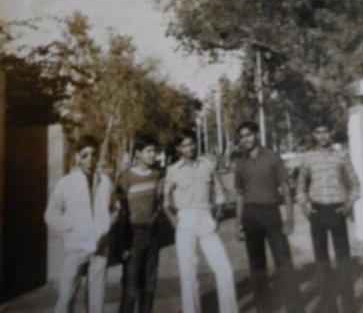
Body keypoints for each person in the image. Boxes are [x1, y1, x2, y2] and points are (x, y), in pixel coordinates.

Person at [163, 130, 239, 313]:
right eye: (184, 145)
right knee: (188, 275)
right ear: (178, 149)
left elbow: (220, 193)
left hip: (206, 219)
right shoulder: (173, 171)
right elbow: (165, 203)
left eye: (191, 143)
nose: (189, 148)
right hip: (185, 221)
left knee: (225, 270)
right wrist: (175, 222)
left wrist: (217, 216)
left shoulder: (208, 165)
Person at [234, 121, 301, 313]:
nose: (246, 139)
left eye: (249, 135)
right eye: (242, 137)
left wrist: (290, 218)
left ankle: (295, 308)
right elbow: (239, 194)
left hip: (271, 214)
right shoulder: (240, 163)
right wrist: (238, 223)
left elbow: (286, 189)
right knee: (257, 268)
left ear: (256, 134)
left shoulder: (273, 158)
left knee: (284, 263)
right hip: (250, 216)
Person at [45, 135, 113, 313]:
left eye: (93, 155)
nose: (90, 159)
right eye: (85, 155)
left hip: (100, 246)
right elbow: (51, 214)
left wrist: (109, 221)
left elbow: (114, 207)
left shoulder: (105, 182)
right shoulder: (66, 183)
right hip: (76, 246)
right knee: (66, 296)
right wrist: (71, 226)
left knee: (97, 299)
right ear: (77, 157)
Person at [297, 121, 360, 310]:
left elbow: (355, 184)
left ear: (330, 133)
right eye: (318, 132)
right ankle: (328, 306)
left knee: (343, 262)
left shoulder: (342, 156)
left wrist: (348, 205)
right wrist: (305, 207)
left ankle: (348, 306)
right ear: (314, 135)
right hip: (317, 212)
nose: (322, 136)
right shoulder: (307, 158)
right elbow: (300, 186)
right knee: (322, 263)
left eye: (325, 131)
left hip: (337, 212)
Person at [117, 134, 163, 313]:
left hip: (152, 235)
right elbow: (121, 211)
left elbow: (159, 202)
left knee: (149, 285)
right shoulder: (126, 177)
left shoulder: (156, 175)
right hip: (133, 236)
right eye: (148, 151)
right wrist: (123, 243)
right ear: (138, 153)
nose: (153, 155)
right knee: (130, 286)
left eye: (154, 151)